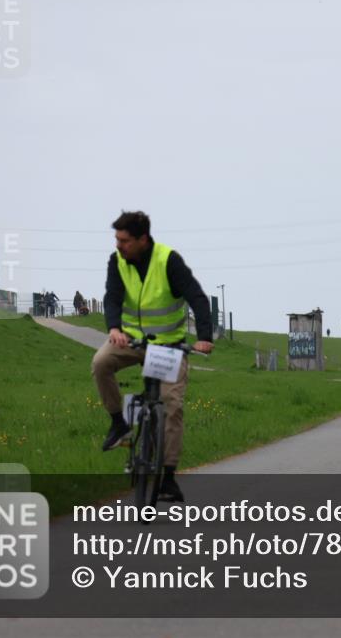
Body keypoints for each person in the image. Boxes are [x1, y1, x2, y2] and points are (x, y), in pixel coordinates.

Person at [92, 211, 214, 502]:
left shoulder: (168, 261)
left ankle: (168, 477)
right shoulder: (117, 261)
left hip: (168, 347)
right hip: (131, 341)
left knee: (171, 405)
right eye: (117, 240)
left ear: (142, 239)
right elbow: (112, 297)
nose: (119, 245)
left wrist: (205, 338)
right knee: (100, 363)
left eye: (124, 241)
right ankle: (118, 423)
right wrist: (114, 328)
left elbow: (197, 297)